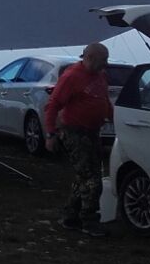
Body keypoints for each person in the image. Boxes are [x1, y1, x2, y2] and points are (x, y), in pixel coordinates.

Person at [44, 43, 114, 236]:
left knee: (83, 175)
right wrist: (50, 134)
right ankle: (89, 221)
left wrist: (115, 118)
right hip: (74, 132)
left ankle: (70, 216)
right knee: (92, 179)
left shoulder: (100, 76)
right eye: (103, 60)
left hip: (93, 131)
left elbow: (104, 101)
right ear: (89, 58)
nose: (106, 64)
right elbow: (53, 105)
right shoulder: (72, 77)